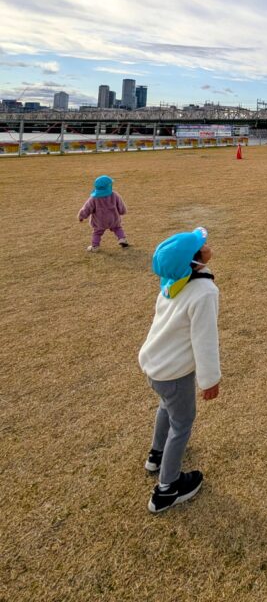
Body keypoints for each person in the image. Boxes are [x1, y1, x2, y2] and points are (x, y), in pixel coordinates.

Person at [138, 226, 221, 514]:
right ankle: (167, 489)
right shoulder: (203, 292)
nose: (208, 246)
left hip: (155, 365)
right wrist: (210, 379)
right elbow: (205, 339)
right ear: (195, 260)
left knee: (167, 407)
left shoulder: (172, 282)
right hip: (174, 372)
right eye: (203, 245)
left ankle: (156, 454)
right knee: (182, 422)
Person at [77, 174, 129, 252]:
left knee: (97, 232)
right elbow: (120, 204)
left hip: (100, 221)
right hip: (113, 218)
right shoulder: (114, 195)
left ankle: (95, 246)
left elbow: (87, 208)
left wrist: (81, 216)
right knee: (117, 228)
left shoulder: (93, 198)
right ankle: (122, 239)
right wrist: (122, 211)